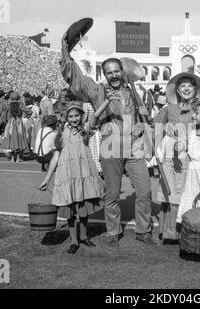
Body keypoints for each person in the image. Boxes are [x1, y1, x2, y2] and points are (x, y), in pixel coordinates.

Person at [60, 32, 154, 246]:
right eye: (109, 72)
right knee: (112, 194)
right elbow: (76, 79)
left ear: (122, 72)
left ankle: (143, 231)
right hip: (110, 148)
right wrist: (66, 52)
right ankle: (113, 233)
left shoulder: (132, 92)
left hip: (134, 148)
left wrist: (142, 119)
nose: (113, 75)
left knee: (145, 191)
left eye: (116, 71)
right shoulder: (97, 91)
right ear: (105, 74)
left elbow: (142, 118)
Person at [39, 103, 105, 254]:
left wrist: (107, 100)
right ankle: (74, 241)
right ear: (66, 118)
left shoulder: (85, 131)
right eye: (71, 116)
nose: (74, 119)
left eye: (77, 116)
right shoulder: (61, 133)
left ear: (81, 116)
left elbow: (95, 116)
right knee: (71, 210)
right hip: (67, 175)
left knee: (83, 207)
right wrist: (46, 179)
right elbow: (55, 158)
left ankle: (83, 236)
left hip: (83, 174)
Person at [153, 72, 200, 243]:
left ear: (194, 89)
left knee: (191, 194)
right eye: (182, 85)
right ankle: (171, 233)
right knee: (171, 195)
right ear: (177, 90)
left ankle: (191, 232)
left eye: (189, 85)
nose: (186, 88)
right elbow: (156, 130)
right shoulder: (169, 109)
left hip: (193, 157)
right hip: (171, 158)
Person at [2, 92, 27, 163]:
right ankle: (18, 158)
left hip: (10, 123)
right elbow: (28, 111)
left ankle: (13, 158)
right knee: (19, 139)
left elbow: (4, 114)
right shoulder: (20, 103)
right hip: (19, 122)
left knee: (11, 140)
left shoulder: (8, 104)